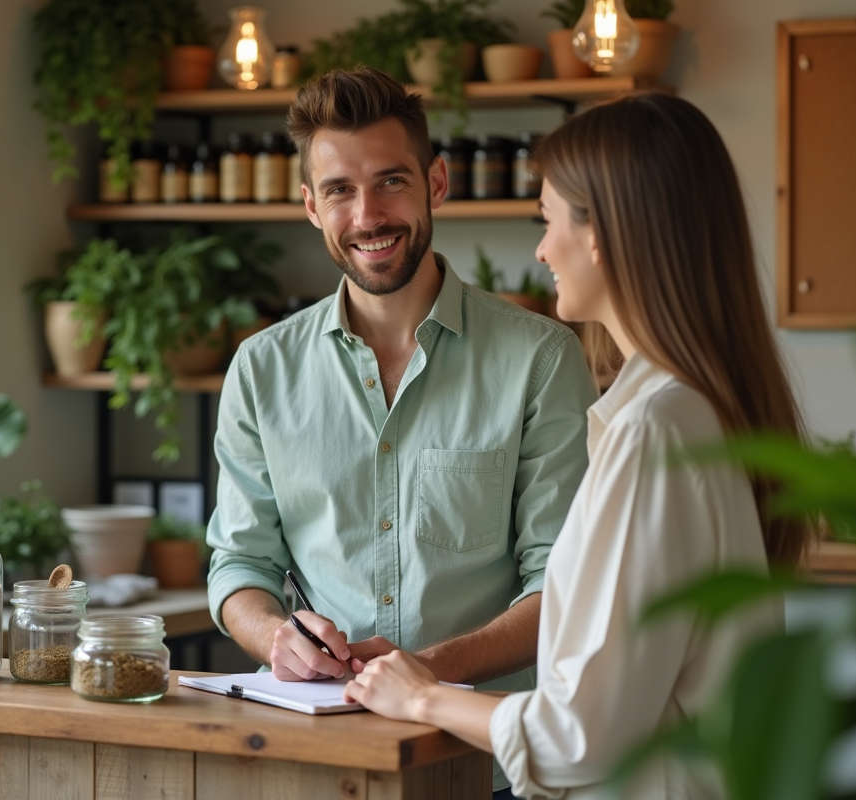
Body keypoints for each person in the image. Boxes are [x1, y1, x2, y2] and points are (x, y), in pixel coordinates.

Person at [343, 92, 811, 800]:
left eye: (548, 219)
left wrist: (422, 695)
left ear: (602, 236)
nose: (540, 248)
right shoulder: (691, 412)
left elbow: (579, 738)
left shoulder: (655, 431)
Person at [205, 68, 597, 795]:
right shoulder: (260, 370)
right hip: (318, 757)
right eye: (340, 192)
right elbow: (239, 568)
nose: (368, 216)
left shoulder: (541, 360)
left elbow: (563, 586)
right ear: (310, 207)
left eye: (390, 182)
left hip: (492, 764)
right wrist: (276, 639)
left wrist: (423, 674)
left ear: (437, 183)